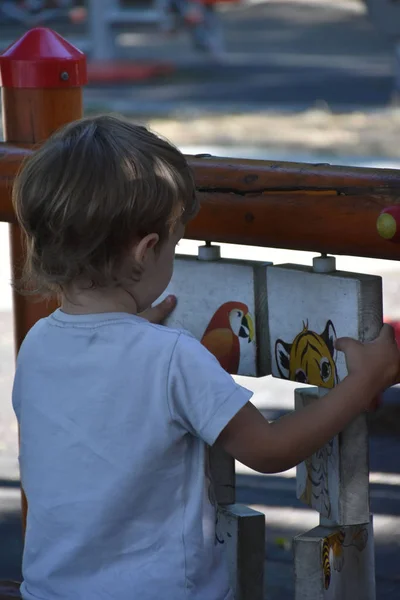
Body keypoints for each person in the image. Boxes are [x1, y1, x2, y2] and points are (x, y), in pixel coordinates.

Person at [11, 115, 400, 600]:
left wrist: (133, 333)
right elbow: (269, 449)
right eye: (174, 243)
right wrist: (364, 383)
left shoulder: (39, 343)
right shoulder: (171, 358)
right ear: (146, 251)